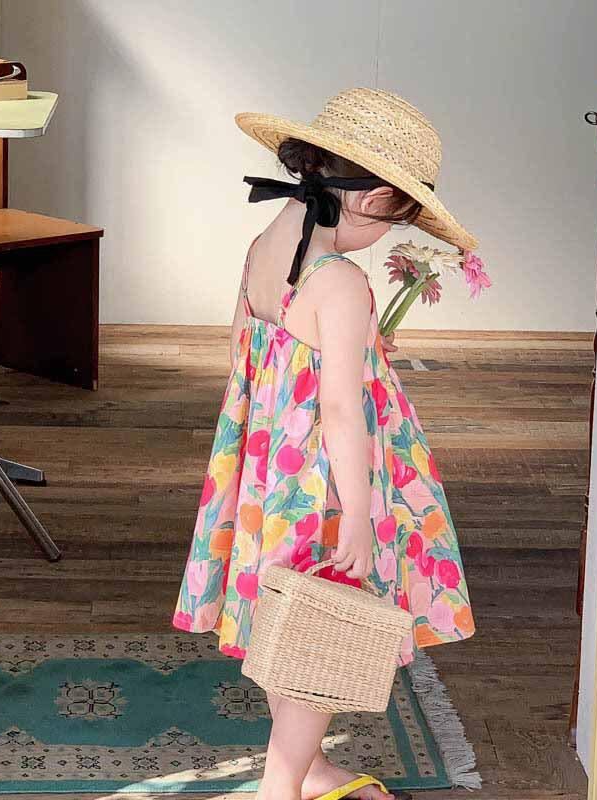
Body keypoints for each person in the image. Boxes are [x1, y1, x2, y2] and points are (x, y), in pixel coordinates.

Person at [174, 88, 476, 800]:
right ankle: (279, 787)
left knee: (289, 616)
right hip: (325, 485)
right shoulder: (339, 281)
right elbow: (340, 410)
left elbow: (243, 352)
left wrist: (347, 349)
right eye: (393, 223)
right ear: (373, 199)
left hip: (268, 472)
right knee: (320, 633)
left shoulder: (264, 249)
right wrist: (361, 516)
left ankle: (310, 770)